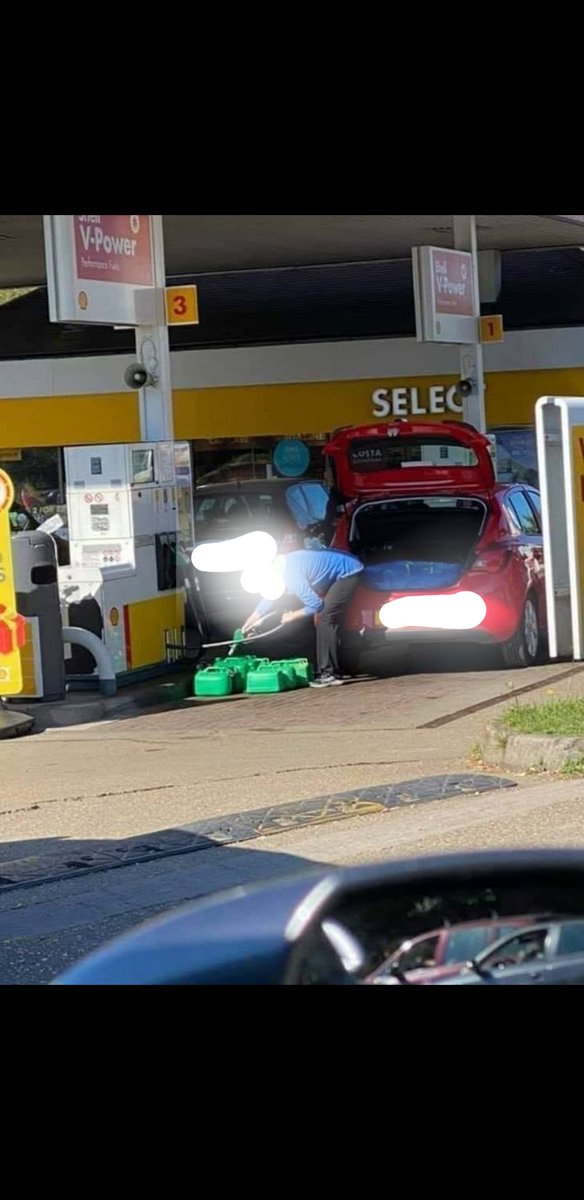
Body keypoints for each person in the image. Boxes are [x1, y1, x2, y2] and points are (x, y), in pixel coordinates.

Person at [242, 548, 363, 688]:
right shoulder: (277, 567)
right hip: (341, 569)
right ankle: (338, 668)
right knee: (329, 617)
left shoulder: (291, 576)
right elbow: (268, 598)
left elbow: (316, 604)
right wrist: (249, 622)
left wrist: (292, 616)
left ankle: (328, 674)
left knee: (324, 617)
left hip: (349, 572)